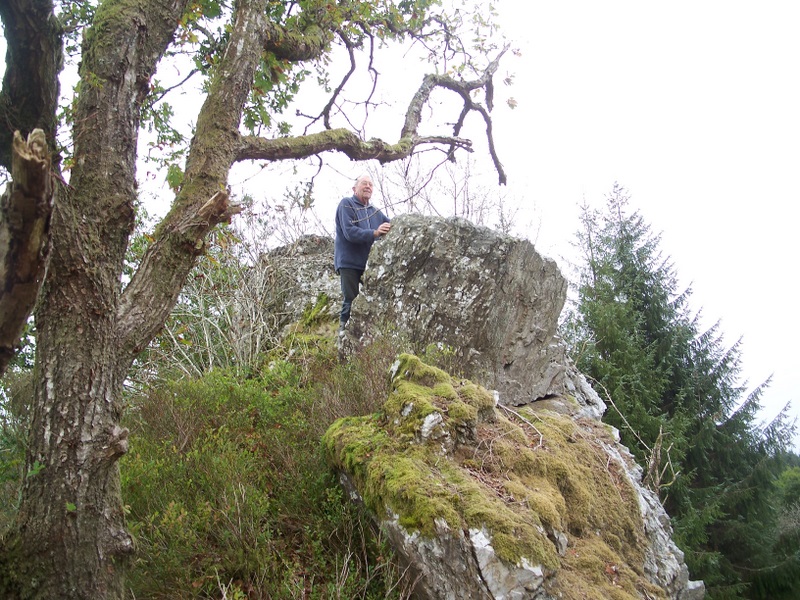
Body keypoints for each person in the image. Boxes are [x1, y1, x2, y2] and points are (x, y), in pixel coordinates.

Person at [334, 174, 391, 330]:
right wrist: (374, 233)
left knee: (375, 298)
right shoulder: (346, 204)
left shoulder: (375, 211)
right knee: (351, 299)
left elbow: (392, 224)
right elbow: (350, 232)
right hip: (349, 262)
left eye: (371, 185)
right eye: (364, 183)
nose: (368, 186)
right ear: (354, 188)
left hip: (368, 264)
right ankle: (343, 336)